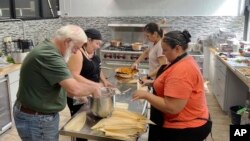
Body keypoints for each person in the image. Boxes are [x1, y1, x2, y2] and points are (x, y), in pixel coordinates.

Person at [13, 25, 101, 141]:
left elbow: (56, 82)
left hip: (40, 114)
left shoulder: (50, 49)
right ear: (67, 41)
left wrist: (75, 95)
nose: (75, 52)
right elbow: (74, 89)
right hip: (37, 118)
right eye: (76, 48)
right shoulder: (49, 55)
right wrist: (94, 89)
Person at [132, 30, 212, 141]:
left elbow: (172, 107)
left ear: (178, 49)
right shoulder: (182, 60)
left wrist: (146, 95)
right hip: (184, 121)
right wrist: (152, 82)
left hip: (186, 128)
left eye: (165, 50)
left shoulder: (182, 70)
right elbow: (170, 83)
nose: (163, 53)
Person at [66, 28, 112, 141]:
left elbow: (97, 68)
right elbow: (74, 75)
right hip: (79, 95)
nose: (98, 46)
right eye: (97, 43)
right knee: (80, 126)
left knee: (90, 121)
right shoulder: (77, 53)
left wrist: (104, 80)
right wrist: (95, 85)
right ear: (88, 40)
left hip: (91, 93)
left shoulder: (92, 51)